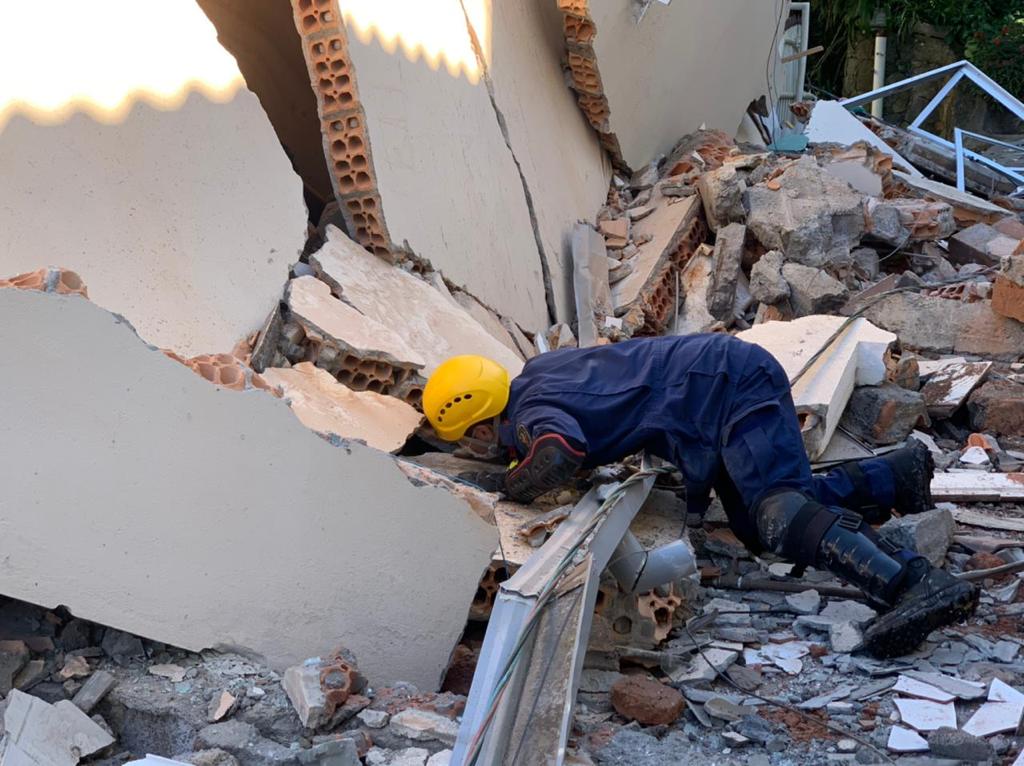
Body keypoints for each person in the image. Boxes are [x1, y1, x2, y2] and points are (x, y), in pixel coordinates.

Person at [421, 334, 977, 658]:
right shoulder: (536, 376)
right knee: (759, 527)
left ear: (476, 423)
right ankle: (897, 475)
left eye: (472, 441)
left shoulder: (528, 414)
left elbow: (559, 452)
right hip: (720, 382)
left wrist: (509, 486)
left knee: (780, 516)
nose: (479, 450)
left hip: (726, 387)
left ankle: (914, 584)